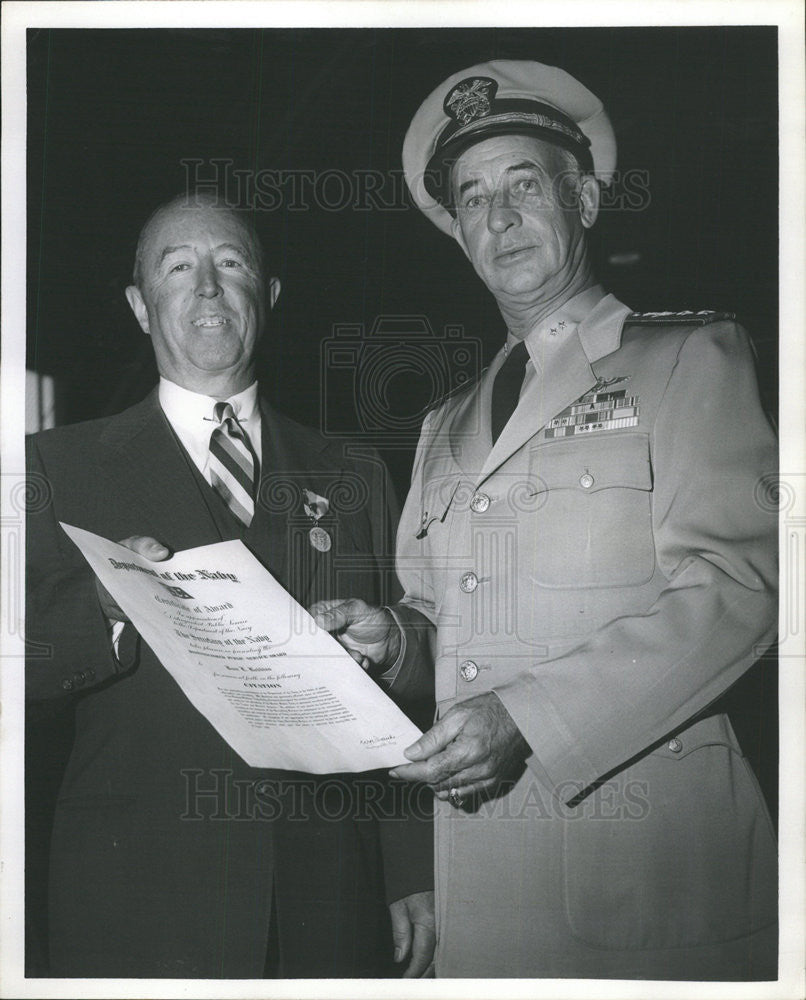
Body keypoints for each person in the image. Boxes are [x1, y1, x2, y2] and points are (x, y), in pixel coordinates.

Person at [312, 60, 778, 980]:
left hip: (642, 887)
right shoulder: (442, 422)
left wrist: (528, 719)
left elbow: (746, 588)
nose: (499, 215)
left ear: (586, 201)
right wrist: (396, 643)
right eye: (472, 197)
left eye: (525, 183)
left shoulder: (691, 358)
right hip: (477, 897)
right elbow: (441, 613)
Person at [25, 191, 435, 978]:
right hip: (138, 895)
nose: (207, 287)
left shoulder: (354, 472)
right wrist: (105, 609)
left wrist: (411, 868)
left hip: (331, 898)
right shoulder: (54, 466)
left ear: (268, 296)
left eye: (231, 263)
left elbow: (402, 690)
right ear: (141, 307)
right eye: (179, 267)